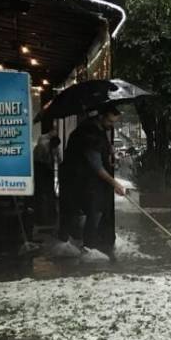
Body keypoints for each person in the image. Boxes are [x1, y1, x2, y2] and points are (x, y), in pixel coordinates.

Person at [53, 104, 126, 261]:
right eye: (110, 121)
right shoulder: (89, 134)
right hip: (81, 179)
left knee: (89, 209)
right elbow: (96, 166)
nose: (111, 125)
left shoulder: (95, 129)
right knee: (94, 208)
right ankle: (87, 247)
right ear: (101, 117)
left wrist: (110, 150)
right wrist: (115, 184)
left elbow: (101, 149)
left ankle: (72, 243)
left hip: (82, 179)